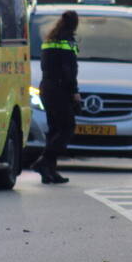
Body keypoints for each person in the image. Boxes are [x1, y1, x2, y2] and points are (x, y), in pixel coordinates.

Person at [32, 10, 81, 184]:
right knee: (68, 126)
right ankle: (44, 161)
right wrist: (74, 92)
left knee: (54, 129)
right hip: (60, 89)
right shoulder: (67, 42)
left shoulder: (49, 40)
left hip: (46, 88)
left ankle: (50, 172)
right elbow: (69, 70)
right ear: (74, 24)